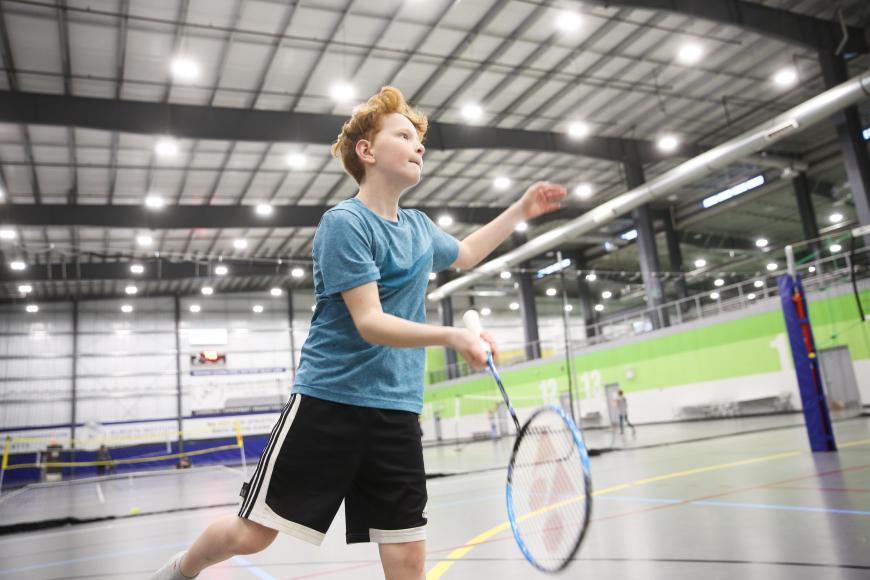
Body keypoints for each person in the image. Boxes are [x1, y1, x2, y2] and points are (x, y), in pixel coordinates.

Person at [151, 86, 566, 580]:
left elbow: (468, 253)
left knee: (407, 547)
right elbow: (370, 323)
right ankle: (182, 570)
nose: (419, 146)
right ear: (367, 152)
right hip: (330, 403)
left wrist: (520, 209)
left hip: (397, 408)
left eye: (420, 140)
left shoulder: (418, 227)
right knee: (254, 534)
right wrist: (453, 337)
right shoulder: (345, 224)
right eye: (405, 135)